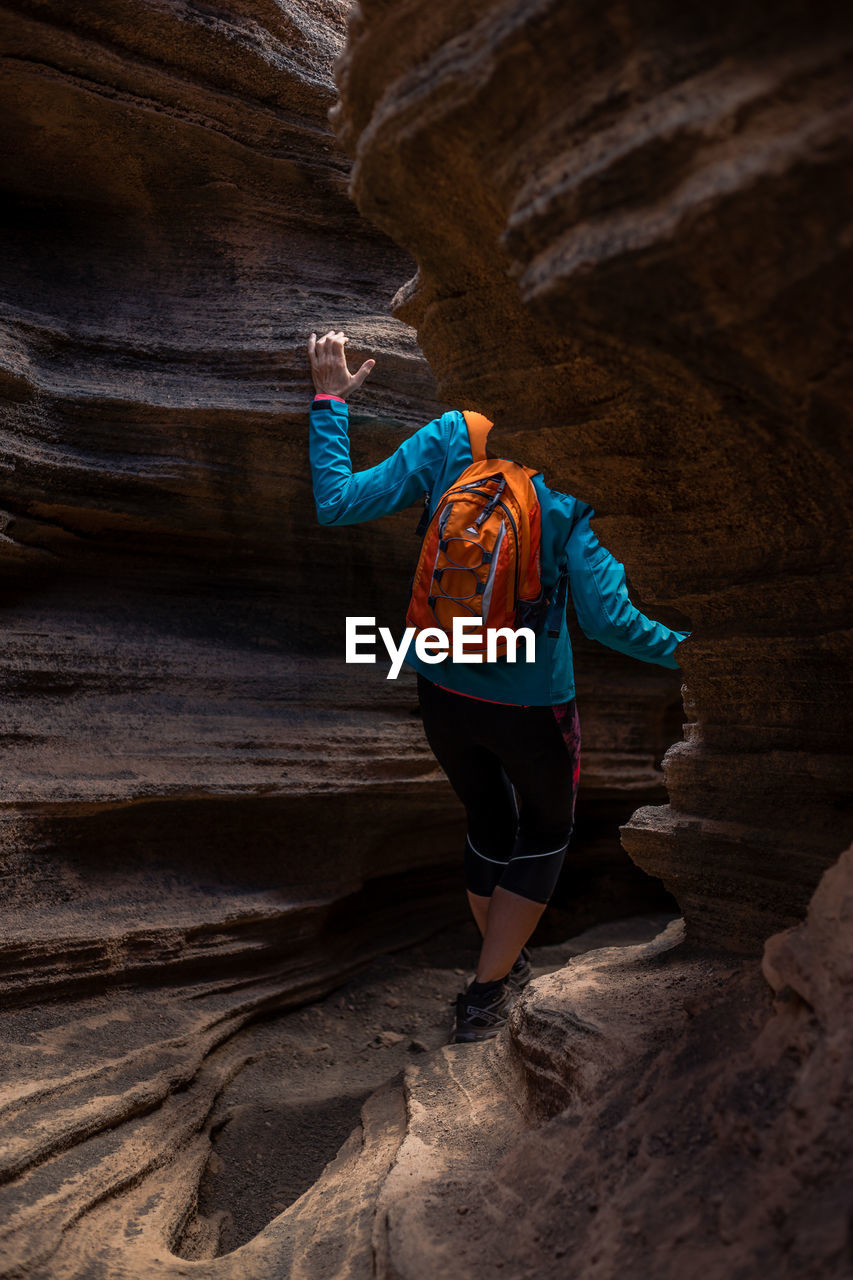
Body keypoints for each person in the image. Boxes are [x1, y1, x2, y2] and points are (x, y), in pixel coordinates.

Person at [307, 329, 690, 1044]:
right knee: (544, 829)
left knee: (487, 819)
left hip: (439, 684)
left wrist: (330, 400)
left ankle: (496, 969)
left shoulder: (456, 433)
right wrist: (697, 654)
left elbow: (336, 502)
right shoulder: (577, 477)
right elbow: (609, 624)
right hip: (531, 705)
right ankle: (485, 992)